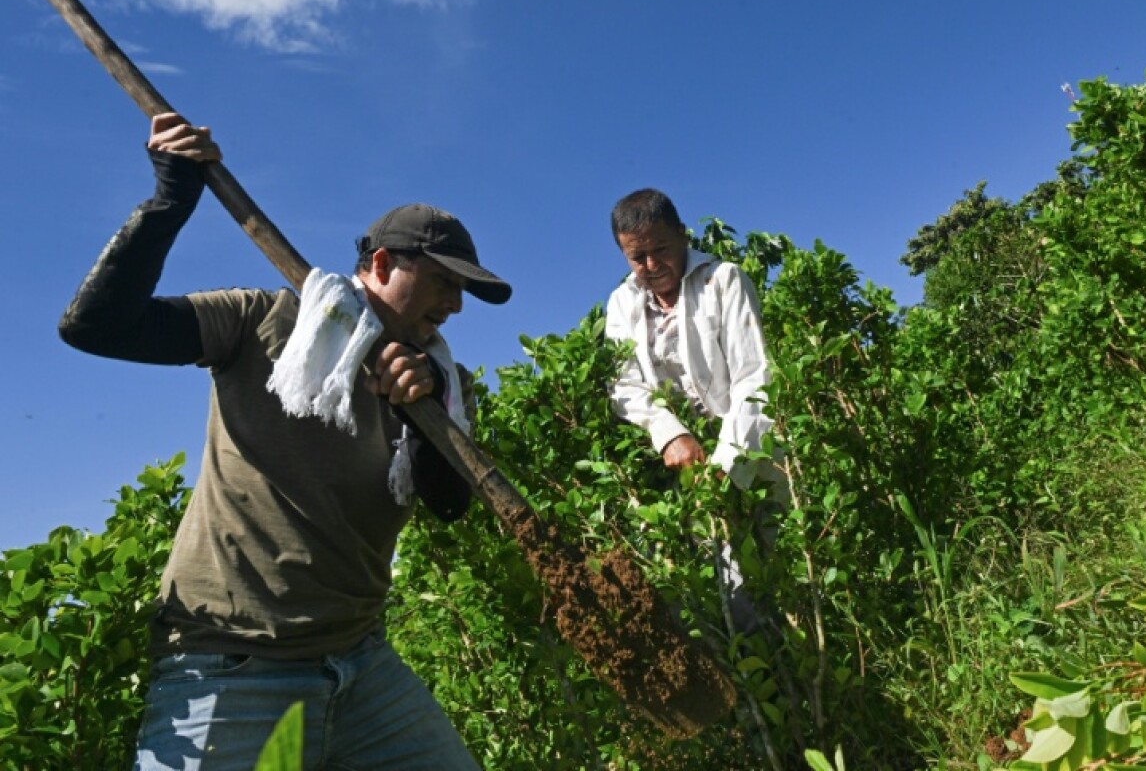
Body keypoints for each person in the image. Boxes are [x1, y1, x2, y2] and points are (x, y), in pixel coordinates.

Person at [58, 112, 511, 770]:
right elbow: (96, 326)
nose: (456, 306)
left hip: (361, 664)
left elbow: (448, 505)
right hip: (231, 663)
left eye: (463, 289)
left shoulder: (438, 383)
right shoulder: (262, 323)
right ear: (382, 263)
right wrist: (169, 203)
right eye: (444, 281)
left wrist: (423, 415)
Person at [604, 188, 778, 632]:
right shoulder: (621, 305)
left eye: (660, 249)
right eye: (636, 257)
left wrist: (725, 465)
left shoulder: (724, 279)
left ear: (682, 236)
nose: (650, 266)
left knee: (777, 569)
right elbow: (625, 386)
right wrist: (669, 432)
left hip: (748, 451)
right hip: (683, 468)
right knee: (722, 586)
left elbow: (754, 377)